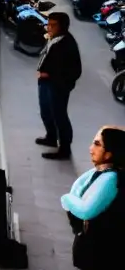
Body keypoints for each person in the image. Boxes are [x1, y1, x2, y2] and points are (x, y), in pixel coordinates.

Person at [61, 126, 125, 270]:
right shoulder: (103, 174)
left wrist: (67, 200)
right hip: (105, 263)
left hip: (113, 264)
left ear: (111, 152)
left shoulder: (113, 180)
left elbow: (86, 209)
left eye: (97, 144)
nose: (90, 148)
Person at [37, 12, 83, 160]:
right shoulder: (54, 39)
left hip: (57, 86)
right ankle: (51, 136)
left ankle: (64, 149)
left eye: (53, 25)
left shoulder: (67, 44)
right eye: (48, 24)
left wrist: (50, 75)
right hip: (45, 83)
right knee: (45, 111)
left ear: (63, 26)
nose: (49, 28)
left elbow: (75, 70)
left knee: (59, 116)